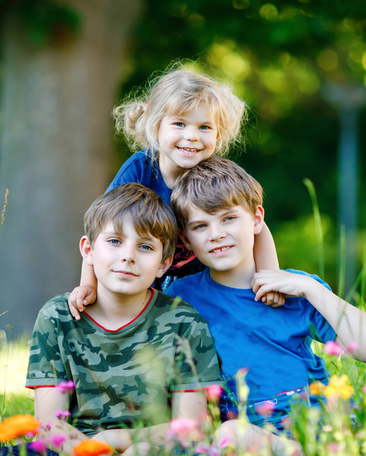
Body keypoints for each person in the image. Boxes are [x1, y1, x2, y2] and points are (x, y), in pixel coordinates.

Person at [165, 157, 366, 454]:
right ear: (186, 238)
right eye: (200, 226)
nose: (216, 234)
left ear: (257, 219)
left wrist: (312, 289)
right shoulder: (183, 297)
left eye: (228, 218)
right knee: (227, 435)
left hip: (315, 423)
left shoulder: (295, 288)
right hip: (248, 434)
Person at [24, 184, 222, 455]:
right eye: (115, 241)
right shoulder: (58, 317)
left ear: (164, 263)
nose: (128, 256)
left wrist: (118, 440)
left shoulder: (184, 323)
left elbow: (190, 429)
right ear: (88, 250)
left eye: (144, 246)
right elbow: (49, 428)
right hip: (76, 449)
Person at [68, 67, 284, 316]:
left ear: (218, 132)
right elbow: (101, 227)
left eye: (204, 127)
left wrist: (270, 277)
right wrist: (88, 285)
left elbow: (256, 225)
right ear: (156, 126)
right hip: (147, 272)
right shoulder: (140, 170)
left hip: (203, 276)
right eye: (179, 124)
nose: (192, 136)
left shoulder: (214, 176)